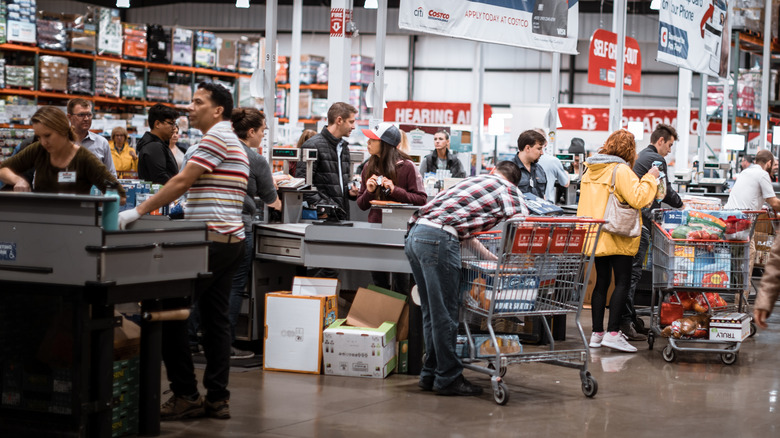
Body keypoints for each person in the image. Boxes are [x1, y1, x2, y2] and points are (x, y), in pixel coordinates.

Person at [118, 82, 248, 421]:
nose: (190, 108)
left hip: (211, 241)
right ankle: (217, 398)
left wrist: (137, 211)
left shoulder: (217, 136)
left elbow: (181, 181)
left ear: (218, 110)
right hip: (230, 241)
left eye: (198, 102)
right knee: (217, 321)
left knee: (167, 310)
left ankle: (185, 393)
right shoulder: (229, 138)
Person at [406, 161, 528, 396]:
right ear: (514, 181)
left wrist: (495, 261)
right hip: (437, 241)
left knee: (432, 312)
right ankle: (449, 379)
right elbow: (521, 222)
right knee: (446, 314)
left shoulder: (471, 182)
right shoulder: (508, 188)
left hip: (416, 235)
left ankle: (431, 373)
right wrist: (515, 259)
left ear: (495, 171)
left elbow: (464, 234)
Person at [576, 129, 659, 353]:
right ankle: (613, 333)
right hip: (618, 233)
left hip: (595, 233)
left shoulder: (590, 169)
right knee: (622, 281)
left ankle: (596, 334)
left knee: (601, 282)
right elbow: (638, 198)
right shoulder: (620, 169)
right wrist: (651, 179)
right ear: (630, 150)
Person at [228, 107, 282, 358]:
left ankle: (194, 337)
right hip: (240, 225)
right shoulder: (254, 158)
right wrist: (275, 187)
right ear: (251, 132)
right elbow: (270, 198)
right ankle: (225, 343)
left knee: (208, 283)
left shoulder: (217, 150)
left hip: (210, 224)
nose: (262, 136)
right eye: (262, 131)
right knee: (235, 285)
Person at [623, 123, 684, 340]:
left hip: (634, 221)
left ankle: (631, 320)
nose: (669, 150)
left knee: (631, 273)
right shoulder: (655, 160)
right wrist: (682, 205)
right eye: (669, 145)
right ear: (660, 141)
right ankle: (626, 324)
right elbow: (663, 191)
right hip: (640, 223)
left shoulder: (642, 156)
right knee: (633, 274)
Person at [0, 106, 125, 201]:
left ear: (62, 130)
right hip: (41, 219)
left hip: (75, 225)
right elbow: (3, 169)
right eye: (39, 137)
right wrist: (17, 180)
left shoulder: (84, 159)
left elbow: (120, 195)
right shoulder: (38, 150)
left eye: (48, 136)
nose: (43, 142)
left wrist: (93, 206)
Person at [357, 122, 427, 292]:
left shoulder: (407, 166)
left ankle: (401, 317)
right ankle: (383, 315)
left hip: (400, 231)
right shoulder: (368, 166)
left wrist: (395, 191)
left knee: (401, 281)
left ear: (385, 144)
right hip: (376, 229)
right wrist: (370, 191)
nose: (368, 143)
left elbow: (421, 200)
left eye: (373, 140)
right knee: (378, 280)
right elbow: (361, 204)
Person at [294, 102, 359, 221]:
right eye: (351, 122)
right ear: (339, 120)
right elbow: (302, 184)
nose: (354, 126)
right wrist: (326, 208)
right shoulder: (312, 145)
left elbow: (339, 184)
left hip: (341, 216)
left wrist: (350, 192)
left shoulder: (343, 148)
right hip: (322, 217)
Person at [67, 98, 116, 177]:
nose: (86, 118)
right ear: (69, 117)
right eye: (81, 115)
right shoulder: (59, 142)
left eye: (89, 115)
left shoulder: (102, 143)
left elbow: (111, 175)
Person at [137, 103, 180, 184]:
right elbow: (161, 179)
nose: (174, 128)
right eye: (171, 123)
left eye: (175, 124)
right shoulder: (154, 146)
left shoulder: (158, 144)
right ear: (157, 124)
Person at [533, 129, 569, 202]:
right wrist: (567, 173)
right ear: (545, 143)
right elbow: (565, 183)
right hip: (546, 205)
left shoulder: (522, 160)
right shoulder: (553, 161)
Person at [511, 129, 547, 198]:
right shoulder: (509, 169)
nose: (542, 153)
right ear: (527, 148)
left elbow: (543, 196)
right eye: (539, 149)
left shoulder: (539, 169)